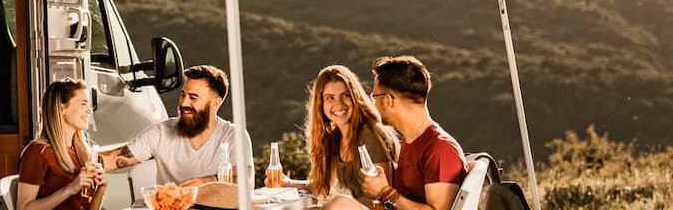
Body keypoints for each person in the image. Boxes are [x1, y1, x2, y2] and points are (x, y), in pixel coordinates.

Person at [271, 66, 401, 209]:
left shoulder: (370, 134)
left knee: (339, 202)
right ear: (321, 104)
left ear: (355, 97)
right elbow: (323, 185)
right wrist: (287, 182)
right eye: (330, 98)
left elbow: (382, 199)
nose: (338, 104)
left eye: (345, 95)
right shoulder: (335, 137)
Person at [101, 65, 253, 187]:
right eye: (183, 95)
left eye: (193, 97)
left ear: (215, 103)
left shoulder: (234, 136)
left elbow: (246, 181)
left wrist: (207, 182)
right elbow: (113, 160)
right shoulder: (161, 132)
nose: (184, 103)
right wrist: (77, 153)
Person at [359, 56, 468, 210]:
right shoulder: (411, 142)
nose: (373, 103)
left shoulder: (440, 149)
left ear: (389, 100)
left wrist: (385, 192)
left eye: (375, 97)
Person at [18, 78, 107, 210]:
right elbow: (22, 208)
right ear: (61, 109)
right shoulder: (38, 152)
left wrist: (101, 189)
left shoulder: (79, 153)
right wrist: (70, 189)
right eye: (83, 104)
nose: (90, 111)